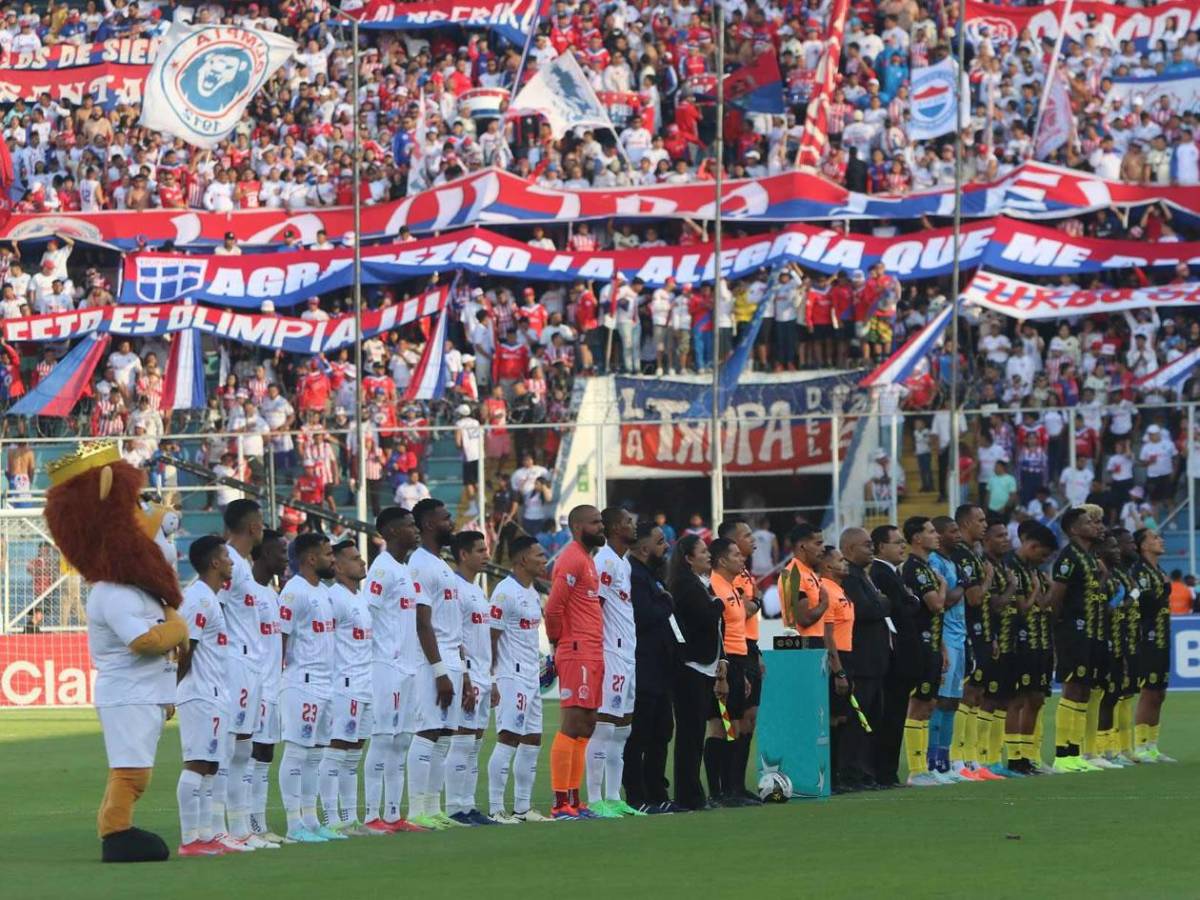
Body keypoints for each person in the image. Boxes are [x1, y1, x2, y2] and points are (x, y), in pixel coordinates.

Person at [406, 498, 474, 830]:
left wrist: (463, 670)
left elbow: (451, 623)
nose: (452, 522)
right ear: (430, 524)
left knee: (445, 735)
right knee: (427, 731)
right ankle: (417, 809)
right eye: (447, 517)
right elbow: (422, 622)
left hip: (451, 658)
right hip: (432, 661)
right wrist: (439, 671)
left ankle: (434, 809)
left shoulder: (441, 564)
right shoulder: (419, 565)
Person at [362, 507, 427, 834]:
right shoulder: (381, 570)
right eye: (409, 526)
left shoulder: (403, 570)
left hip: (407, 666)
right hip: (384, 665)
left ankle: (392, 814)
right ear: (389, 532)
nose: (416, 530)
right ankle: (373, 815)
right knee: (383, 739)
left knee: (401, 741)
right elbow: (366, 617)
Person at [277, 532, 343, 842]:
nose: (334, 559)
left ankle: (311, 820)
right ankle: (293, 826)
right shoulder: (294, 592)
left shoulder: (324, 592)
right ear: (311, 558)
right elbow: (281, 638)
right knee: (297, 753)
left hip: (325, 684)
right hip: (301, 683)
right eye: (329, 554)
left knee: (316, 755)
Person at [175, 536, 238, 857]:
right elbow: (186, 650)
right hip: (199, 694)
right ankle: (190, 840)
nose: (231, 562)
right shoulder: (198, 600)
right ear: (214, 562)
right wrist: (171, 693)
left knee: (211, 766)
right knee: (198, 763)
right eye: (227, 556)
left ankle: (205, 835)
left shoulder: (211, 598)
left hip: (214, 694)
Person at [544, 504, 607, 819]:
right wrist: (558, 643)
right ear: (579, 527)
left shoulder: (587, 560)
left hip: (592, 649)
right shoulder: (571, 558)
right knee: (571, 723)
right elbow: (553, 607)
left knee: (587, 724)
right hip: (576, 648)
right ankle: (559, 803)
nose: (601, 527)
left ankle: (574, 799)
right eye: (596, 522)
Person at [486, 535, 553, 824]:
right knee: (508, 738)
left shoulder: (531, 592)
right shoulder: (505, 592)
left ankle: (523, 808)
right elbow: (491, 636)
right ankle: (495, 808)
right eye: (539, 555)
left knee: (533, 739)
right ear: (522, 559)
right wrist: (490, 678)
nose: (544, 559)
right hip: (510, 675)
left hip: (530, 675)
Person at [213, 499, 268, 849]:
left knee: (243, 750)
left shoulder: (243, 565)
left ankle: (240, 829)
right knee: (229, 747)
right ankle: (218, 828)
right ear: (252, 527)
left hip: (251, 666)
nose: (263, 528)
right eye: (261, 522)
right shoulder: (227, 562)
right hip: (234, 663)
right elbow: (210, 603)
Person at [586, 507, 641, 818]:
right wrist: (597, 651)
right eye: (628, 521)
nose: (633, 525)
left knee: (622, 729)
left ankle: (613, 796)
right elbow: (597, 607)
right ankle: (595, 800)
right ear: (613, 527)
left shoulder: (623, 562)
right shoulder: (605, 560)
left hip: (627, 653)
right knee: (605, 726)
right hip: (610, 651)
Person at [319, 540, 376, 836]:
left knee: (353, 754)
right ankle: (330, 819)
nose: (362, 562)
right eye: (355, 559)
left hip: (365, 684)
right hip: (343, 685)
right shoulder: (334, 598)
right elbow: (325, 645)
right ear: (338, 567)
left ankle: (349, 817)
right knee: (336, 750)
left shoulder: (361, 598)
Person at [668, 535, 725, 811]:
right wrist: (718, 603)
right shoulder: (686, 586)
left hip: (702, 666)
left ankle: (692, 791)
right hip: (690, 666)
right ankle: (688, 794)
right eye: (702, 551)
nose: (708, 555)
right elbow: (706, 616)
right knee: (690, 733)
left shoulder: (698, 584)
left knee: (695, 732)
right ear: (688, 558)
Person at [1047, 507, 1105, 773]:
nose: (1095, 526)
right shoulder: (1068, 557)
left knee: (1083, 689)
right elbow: (1057, 596)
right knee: (1072, 688)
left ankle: (1075, 751)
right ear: (1073, 529)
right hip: (1073, 630)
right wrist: (1060, 627)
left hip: (1090, 630)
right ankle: (1062, 754)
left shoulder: (1088, 558)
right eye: (1088, 522)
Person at [946, 505, 1002, 781]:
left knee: (977, 694)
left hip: (980, 631)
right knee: (966, 694)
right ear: (966, 523)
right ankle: (958, 758)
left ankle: (972, 758)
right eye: (980, 520)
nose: (984, 524)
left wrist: (990, 636)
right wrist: (989, 578)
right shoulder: (963, 557)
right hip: (964, 632)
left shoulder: (972, 555)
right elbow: (975, 598)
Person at [624, 520, 675, 813]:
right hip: (642, 665)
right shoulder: (634, 575)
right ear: (644, 547)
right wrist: (666, 604)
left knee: (661, 732)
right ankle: (636, 794)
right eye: (659, 541)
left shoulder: (651, 574)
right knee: (640, 734)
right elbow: (643, 615)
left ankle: (657, 791)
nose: (665, 545)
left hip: (659, 665)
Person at [448, 530, 498, 825]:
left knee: (476, 743)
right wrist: (465, 677)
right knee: (463, 741)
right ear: (463, 555)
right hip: (466, 676)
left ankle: (468, 805)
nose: (486, 555)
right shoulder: (455, 589)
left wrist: (491, 679)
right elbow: (454, 637)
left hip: (482, 675)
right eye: (480, 550)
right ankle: (455, 807)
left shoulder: (478, 590)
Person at [706, 537, 757, 806]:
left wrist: (744, 671)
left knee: (734, 726)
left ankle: (733, 788)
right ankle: (717, 792)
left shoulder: (732, 587)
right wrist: (721, 672)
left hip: (739, 662)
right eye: (736, 555)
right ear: (722, 560)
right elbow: (716, 633)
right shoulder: (714, 585)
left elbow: (738, 631)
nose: (742, 558)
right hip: (723, 664)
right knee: (720, 727)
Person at [837, 528, 889, 789]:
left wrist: (881, 603)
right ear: (849, 550)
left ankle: (865, 771)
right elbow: (868, 609)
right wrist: (883, 603)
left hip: (875, 662)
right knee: (857, 722)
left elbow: (878, 605)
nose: (872, 549)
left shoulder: (864, 577)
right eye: (867, 545)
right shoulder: (850, 579)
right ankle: (851, 773)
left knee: (870, 720)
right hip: (862, 662)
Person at [248, 529, 290, 843]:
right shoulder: (245, 592)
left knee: (264, 756)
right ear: (263, 555)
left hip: (272, 686)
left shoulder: (271, 593)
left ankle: (258, 826)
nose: (285, 559)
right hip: (254, 686)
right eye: (280, 553)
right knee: (249, 756)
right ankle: (244, 826)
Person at [899, 517, 948, 786]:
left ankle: (924, 768)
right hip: (919, 645)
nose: (936, 535)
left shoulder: (926, 567)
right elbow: (937, 605)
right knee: (919, 703)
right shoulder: (915, 569)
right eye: (930, 532)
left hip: (932, 643)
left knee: (928, 704)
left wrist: (941, 648)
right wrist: (942, 584)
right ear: (917, 538)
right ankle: (916, 770)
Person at [719, 519, 764, 803]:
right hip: (736, 649)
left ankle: (737, 784)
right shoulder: (729, 575)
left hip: (750, 647)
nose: (754, 540)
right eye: (747, 536)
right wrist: (755, 603)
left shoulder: (744, 571)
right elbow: (743, 609)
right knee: (734, 720)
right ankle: (729, 786)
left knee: (749, 719)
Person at [869, 524, 912, 787]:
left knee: (896, 716)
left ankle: (888, 771)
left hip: (898, 657)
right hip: (890, 658)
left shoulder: (893, 572)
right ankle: (883, 772)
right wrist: (910, 601)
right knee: (889, 717)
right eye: (897, 542)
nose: (902, 546)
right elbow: (904, 607)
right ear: (881, 547)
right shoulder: (880, 573)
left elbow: (906, 603)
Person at [927, 517, 967, 781]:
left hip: (960, 636)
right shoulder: (935, 562)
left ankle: (945, 762)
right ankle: (931, 763)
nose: (959, 535)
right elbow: (944, 601)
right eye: (953, 531)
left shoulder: (952, 562)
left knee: (952, 702)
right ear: (939, 536)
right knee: (939, 700)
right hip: (945, 637)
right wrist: (964, 584)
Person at [1132, 528, 1175, 763]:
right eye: (1155, 537)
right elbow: (1140, 602)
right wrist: (1164, 591)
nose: (1161, 540)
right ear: (1143, 545)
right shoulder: (1138, 572)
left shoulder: (1159, 570)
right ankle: (1140, 746)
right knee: (1149, 691)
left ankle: (1153, 746)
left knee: (1160, 693)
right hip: (1146, 637)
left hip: (1161, 636)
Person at [818, 546, 855, 792]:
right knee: (832, 719)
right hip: (836, 660)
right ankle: (830, 777)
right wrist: (838, 670)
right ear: (828, 565)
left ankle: (838, 774)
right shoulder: (825, 590)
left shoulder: (840, 589)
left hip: (847, 658)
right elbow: (827, 635)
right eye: (841, 560)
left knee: (841, 718)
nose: (846, 563)